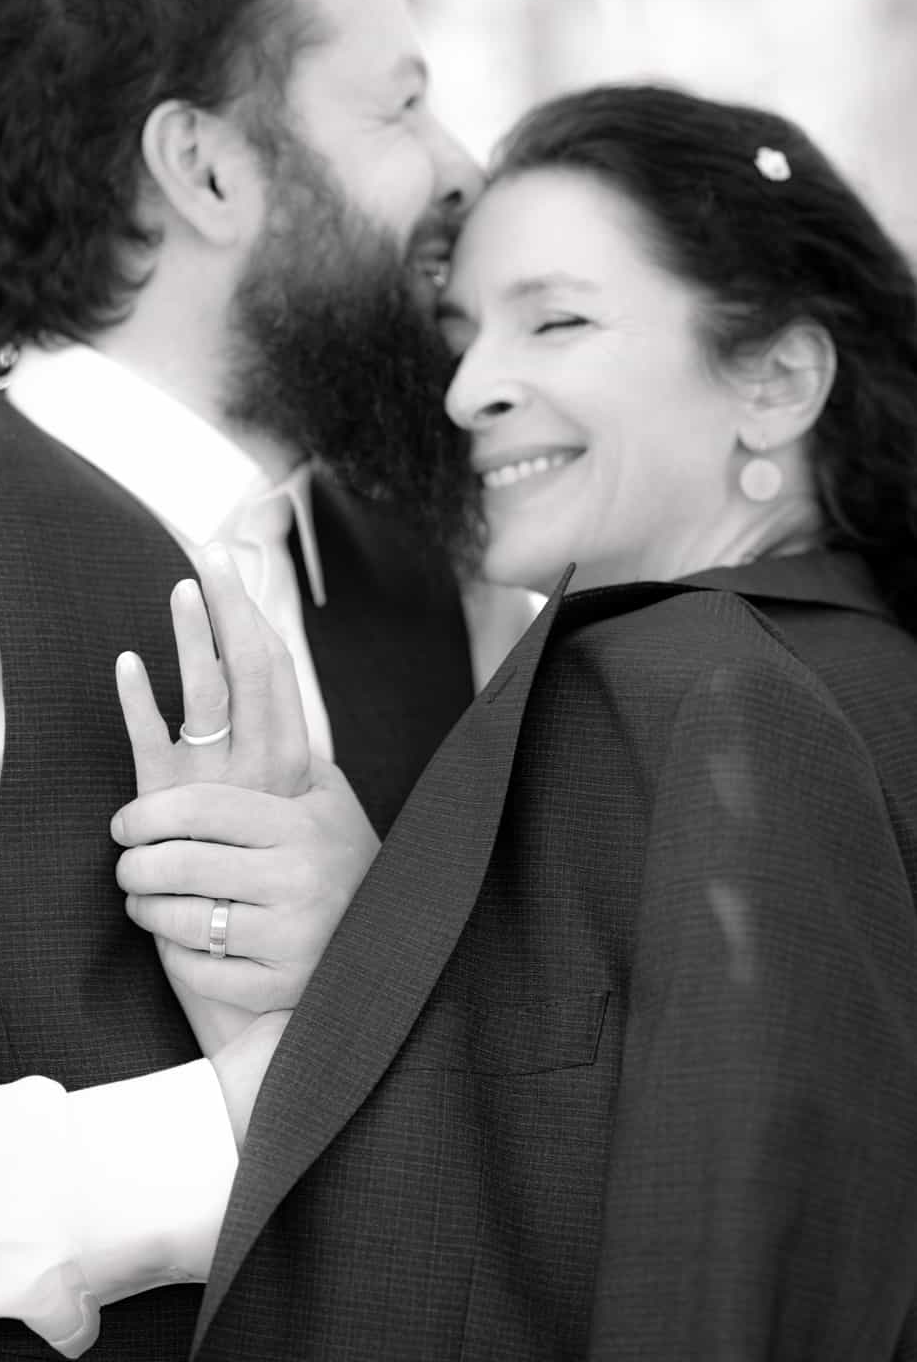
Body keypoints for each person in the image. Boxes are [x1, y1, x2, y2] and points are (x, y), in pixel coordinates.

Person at [0, 0, 532, 1361]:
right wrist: (236, 1126)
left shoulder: (414, 573)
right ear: (206, 168)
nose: (461, 168)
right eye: (399, 107)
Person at [119, 84, 917, 1359]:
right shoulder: (852, 671)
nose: (466, 391)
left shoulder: (705, 690)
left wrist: (358, 976)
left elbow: (720, 1272)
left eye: (556, 320)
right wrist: (381, 947)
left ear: (775, 380)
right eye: (461, 332)